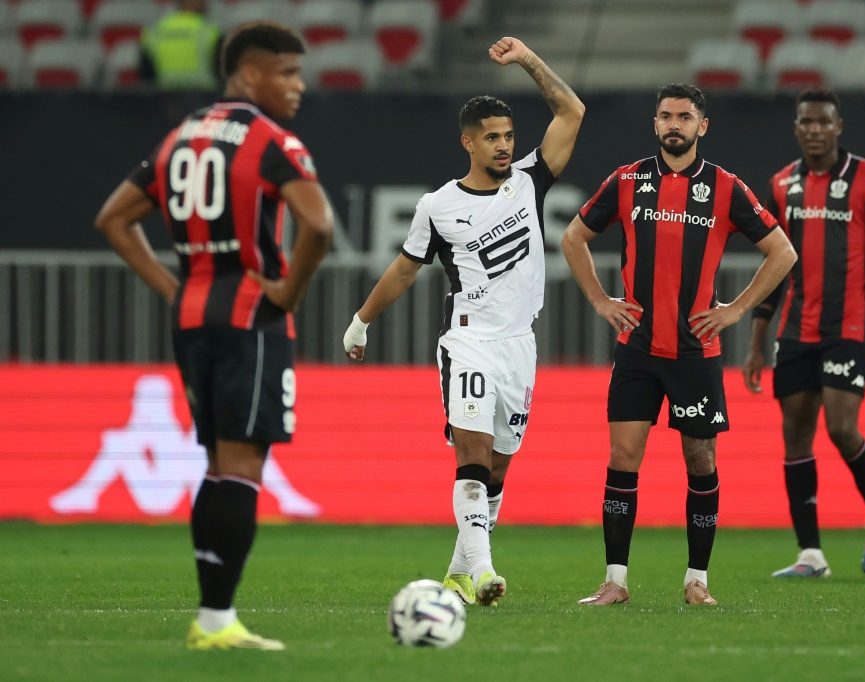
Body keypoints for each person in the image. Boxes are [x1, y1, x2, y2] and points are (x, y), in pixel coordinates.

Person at [95, 21, 333, 650]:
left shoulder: (181, 135)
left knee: (218, 464)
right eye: (287, 72)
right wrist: (288, 292)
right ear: (249, 74)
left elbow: (113, 219)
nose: (298, 86)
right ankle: (216, 621)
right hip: (250, 312)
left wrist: (171, 287)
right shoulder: (269, 139)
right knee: (241, 464)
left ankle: (212, 617)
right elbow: (320, 224)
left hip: (193, 314)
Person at [343, 37, 584, 607]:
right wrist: (361, 320)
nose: (503, 146)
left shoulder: (531, 181)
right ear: (467, 142)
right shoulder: (438, 206)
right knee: (471, 460)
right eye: (492, 137)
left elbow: (571, 111)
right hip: (469, 342)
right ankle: (483, 574)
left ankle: (458, 570)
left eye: (508, 136)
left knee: (498, 471)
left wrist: (528, 61)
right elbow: (404, 271)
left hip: (519, 345)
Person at [563, 83, 797, 607]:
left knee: (701, 462)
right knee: (623, 458)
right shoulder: (626, 180)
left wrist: (734, 309)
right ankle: (615, 583)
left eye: (685, 117)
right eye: (666, 115)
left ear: (702, 126)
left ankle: (697, 581)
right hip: (637, 350)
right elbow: (573, 238)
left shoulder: (726, 187)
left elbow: (782, 251)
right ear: (654, 123)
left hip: (696, 354)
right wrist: (602, 301)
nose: (675, 124)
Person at [743, 88, 865, 578]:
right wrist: (757, 341)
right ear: (796, 128)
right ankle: (810, 553)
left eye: (823, 122)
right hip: (795, 330)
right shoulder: (781, 185)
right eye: (806, 122)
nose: (814, 130)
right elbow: (774, 268)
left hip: (849, 328)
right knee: (795, 436)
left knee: (840, 427)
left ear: (838, 127)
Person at [140, 0, 222, 90]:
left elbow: (146, 74)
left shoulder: (156, 31)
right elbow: (221, 70)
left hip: (164, 97)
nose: (207, 4)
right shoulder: (209, 31)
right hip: (202, 95)